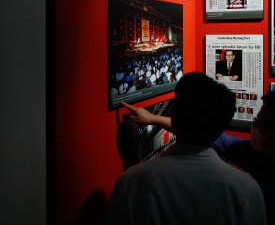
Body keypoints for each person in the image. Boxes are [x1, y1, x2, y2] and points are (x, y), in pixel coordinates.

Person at [125, 87, 275, 225]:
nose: (253, 126)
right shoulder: (265, 154)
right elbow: (211, 136)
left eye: (259, 122)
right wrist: (153, 118)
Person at [107, 72, 266, 225]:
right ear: (222, 125)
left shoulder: (129, 182)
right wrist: (153, 118)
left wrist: (153, 119)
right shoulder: (247, 190)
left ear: (172, 113)